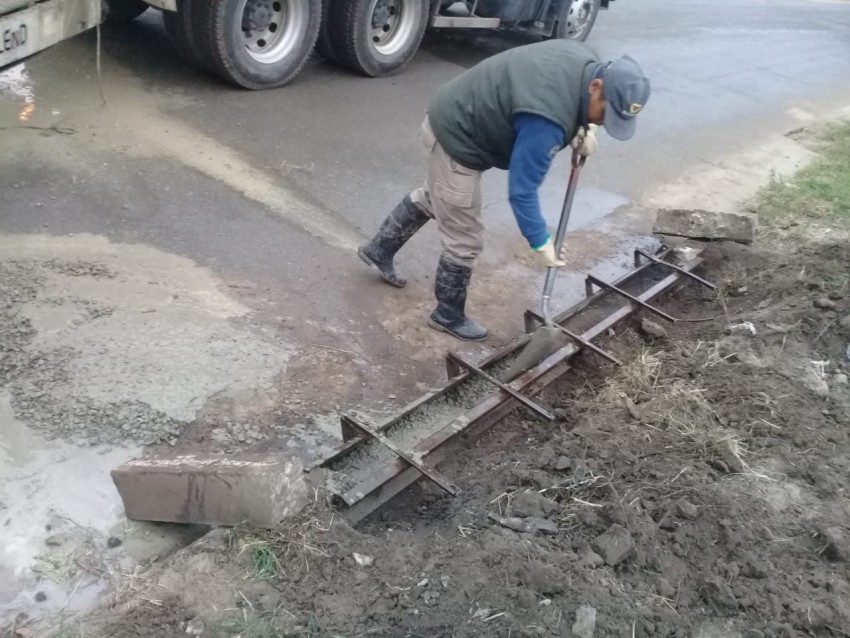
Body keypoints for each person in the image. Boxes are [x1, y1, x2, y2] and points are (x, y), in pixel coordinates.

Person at [358, 39, 650, 342]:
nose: (605, 121)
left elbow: (573, 100)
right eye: (606, 114)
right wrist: (541, 241)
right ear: (597, 86)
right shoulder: (546, 121)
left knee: (440, 198)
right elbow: (522, 191)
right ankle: (447, 315)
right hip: (456, 136)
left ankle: (378, 250)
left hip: (459, 110)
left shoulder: (587, 61)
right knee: (463, 235)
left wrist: (587, 126)